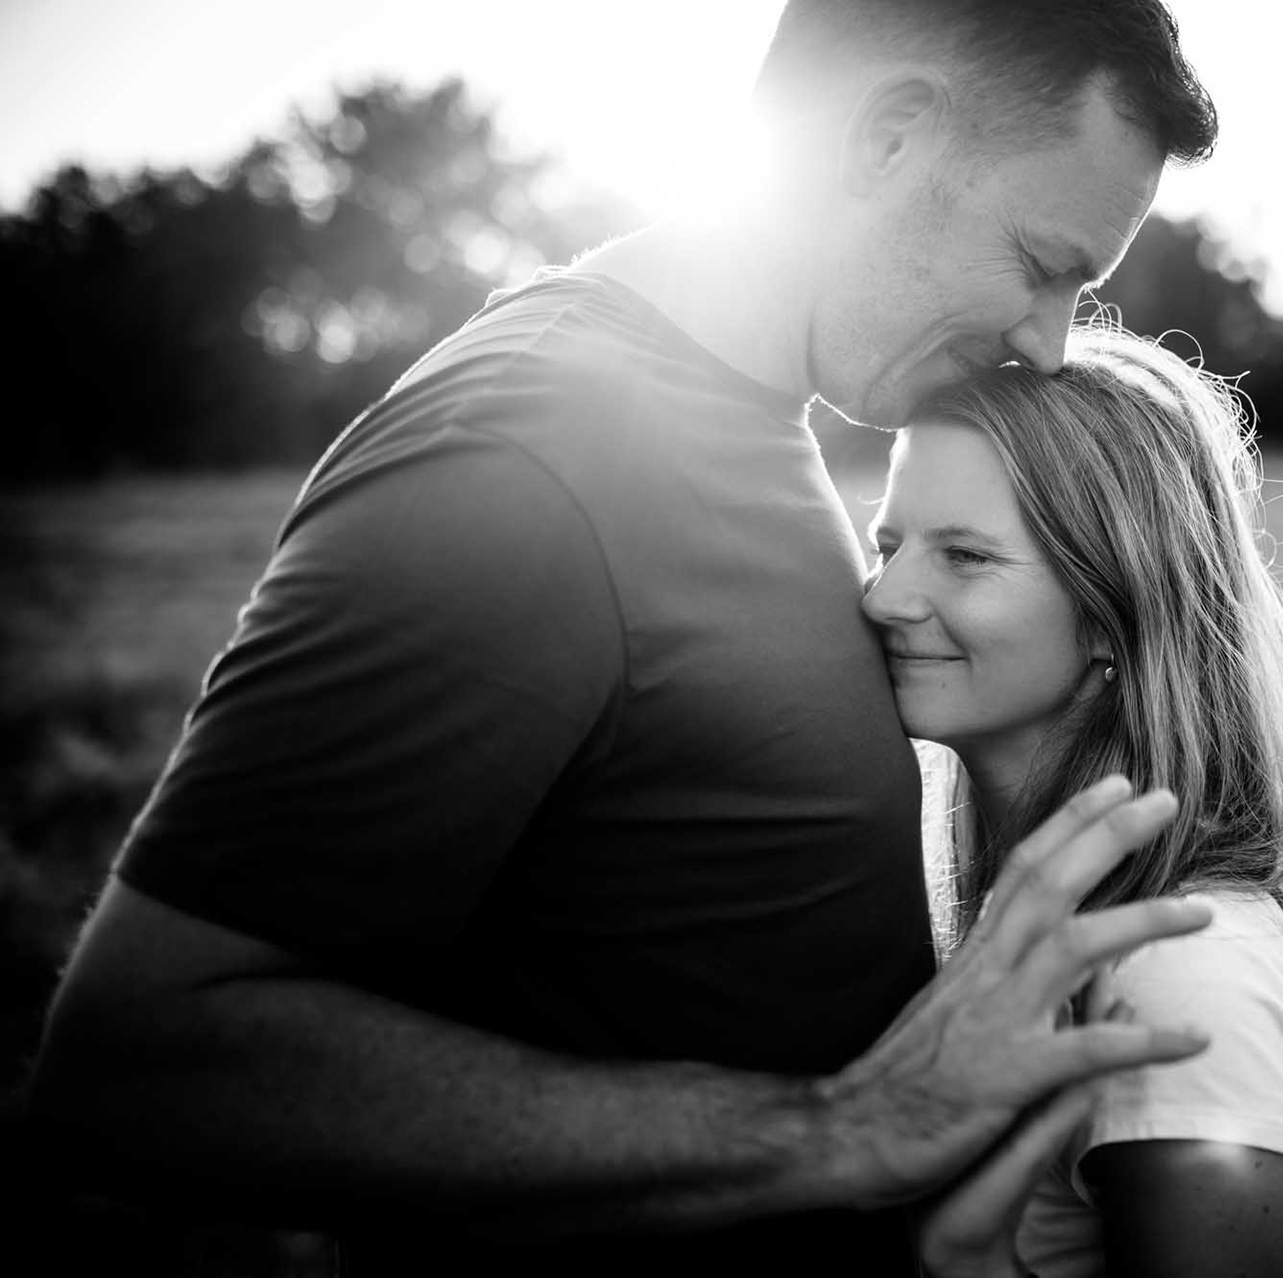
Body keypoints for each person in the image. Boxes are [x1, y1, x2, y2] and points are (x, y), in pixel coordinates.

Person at [25, 4, 1222, 1276]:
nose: (1048, 340)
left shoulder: (753, 408)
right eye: (1041, 263)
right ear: (888, 139)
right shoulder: (525, 454)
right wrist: (839, 1129)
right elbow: (140, 1059)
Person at [862, 324, 1283, 1278]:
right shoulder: (1008, 903)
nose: (884, 598)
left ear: (1114, 610)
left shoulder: (1187, 969)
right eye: (887, 545)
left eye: (965, 556)